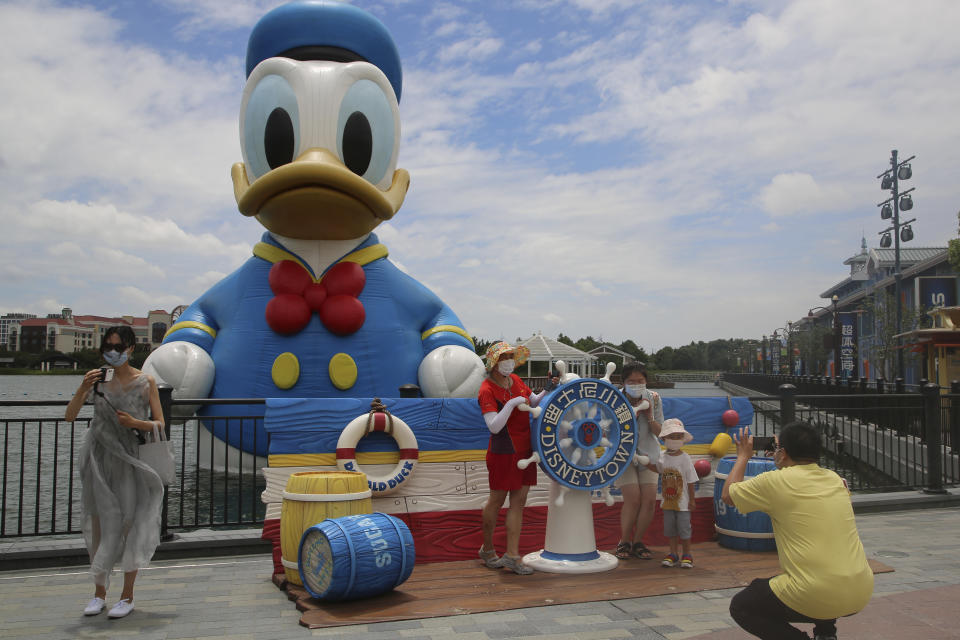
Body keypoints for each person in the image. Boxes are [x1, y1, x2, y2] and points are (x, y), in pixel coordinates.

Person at [721, 422, 874, 640]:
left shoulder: (774, 482)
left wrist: (743, 456)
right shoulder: (835, 479)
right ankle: (826, 634)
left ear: (782, 453)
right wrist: (781, 461)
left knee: (743, 606)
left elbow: (728, 495)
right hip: (860, 590)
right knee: (821, 567)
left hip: (814, 593)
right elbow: (797, 487)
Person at [65, 326, 166, 619]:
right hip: (100, 460)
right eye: (107, 347)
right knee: (100, 525)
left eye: (119, 347)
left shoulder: (145, 381)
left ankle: (127, 595)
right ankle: (99, 593)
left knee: (130, 524)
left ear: (131, 348)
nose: (113, 352)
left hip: (131, 460)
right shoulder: (97, 381)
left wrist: (137, 422)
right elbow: (70, 415)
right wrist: (82, 389)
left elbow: (159, 423)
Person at [477, 341, 546, 575]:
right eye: (504, 357)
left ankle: (512, 556)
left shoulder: (516, 380)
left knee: (519, 502)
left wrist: (549, 389)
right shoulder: (486, 389)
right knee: (496, 501)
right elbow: (494, 426)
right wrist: (512, 404)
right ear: (494, 363)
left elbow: (533, 401)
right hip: (504, 449)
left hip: (526, 448)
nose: (509, 361)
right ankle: (487, 549)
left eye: (511, 356)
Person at [612, 361, 663, 560]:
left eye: (640, 381)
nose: (636, 384)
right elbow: (607, 429)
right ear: (623, 382)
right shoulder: (614, 397)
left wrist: (649, 416)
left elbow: (660, 432)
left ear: (646, 381)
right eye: (631, 381)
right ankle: (624, 541)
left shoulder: (654, 398)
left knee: (649, 500)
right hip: (624, 455)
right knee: (632, 499)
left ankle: (638, 542)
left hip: (649, 454)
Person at [655, 418, 697, 569]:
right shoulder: (661, 457)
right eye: (672, 436)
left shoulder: (685, 458)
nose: (675, 440)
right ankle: (673, 553)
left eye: (679, 437)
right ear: (664, 438)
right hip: (667, 502)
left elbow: (691, 480)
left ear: (683, 439)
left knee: (685, 528)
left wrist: (692, 500)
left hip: (683, 503)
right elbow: (657, 469)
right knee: (670, 529)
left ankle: (687, 553)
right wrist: (643, 461)